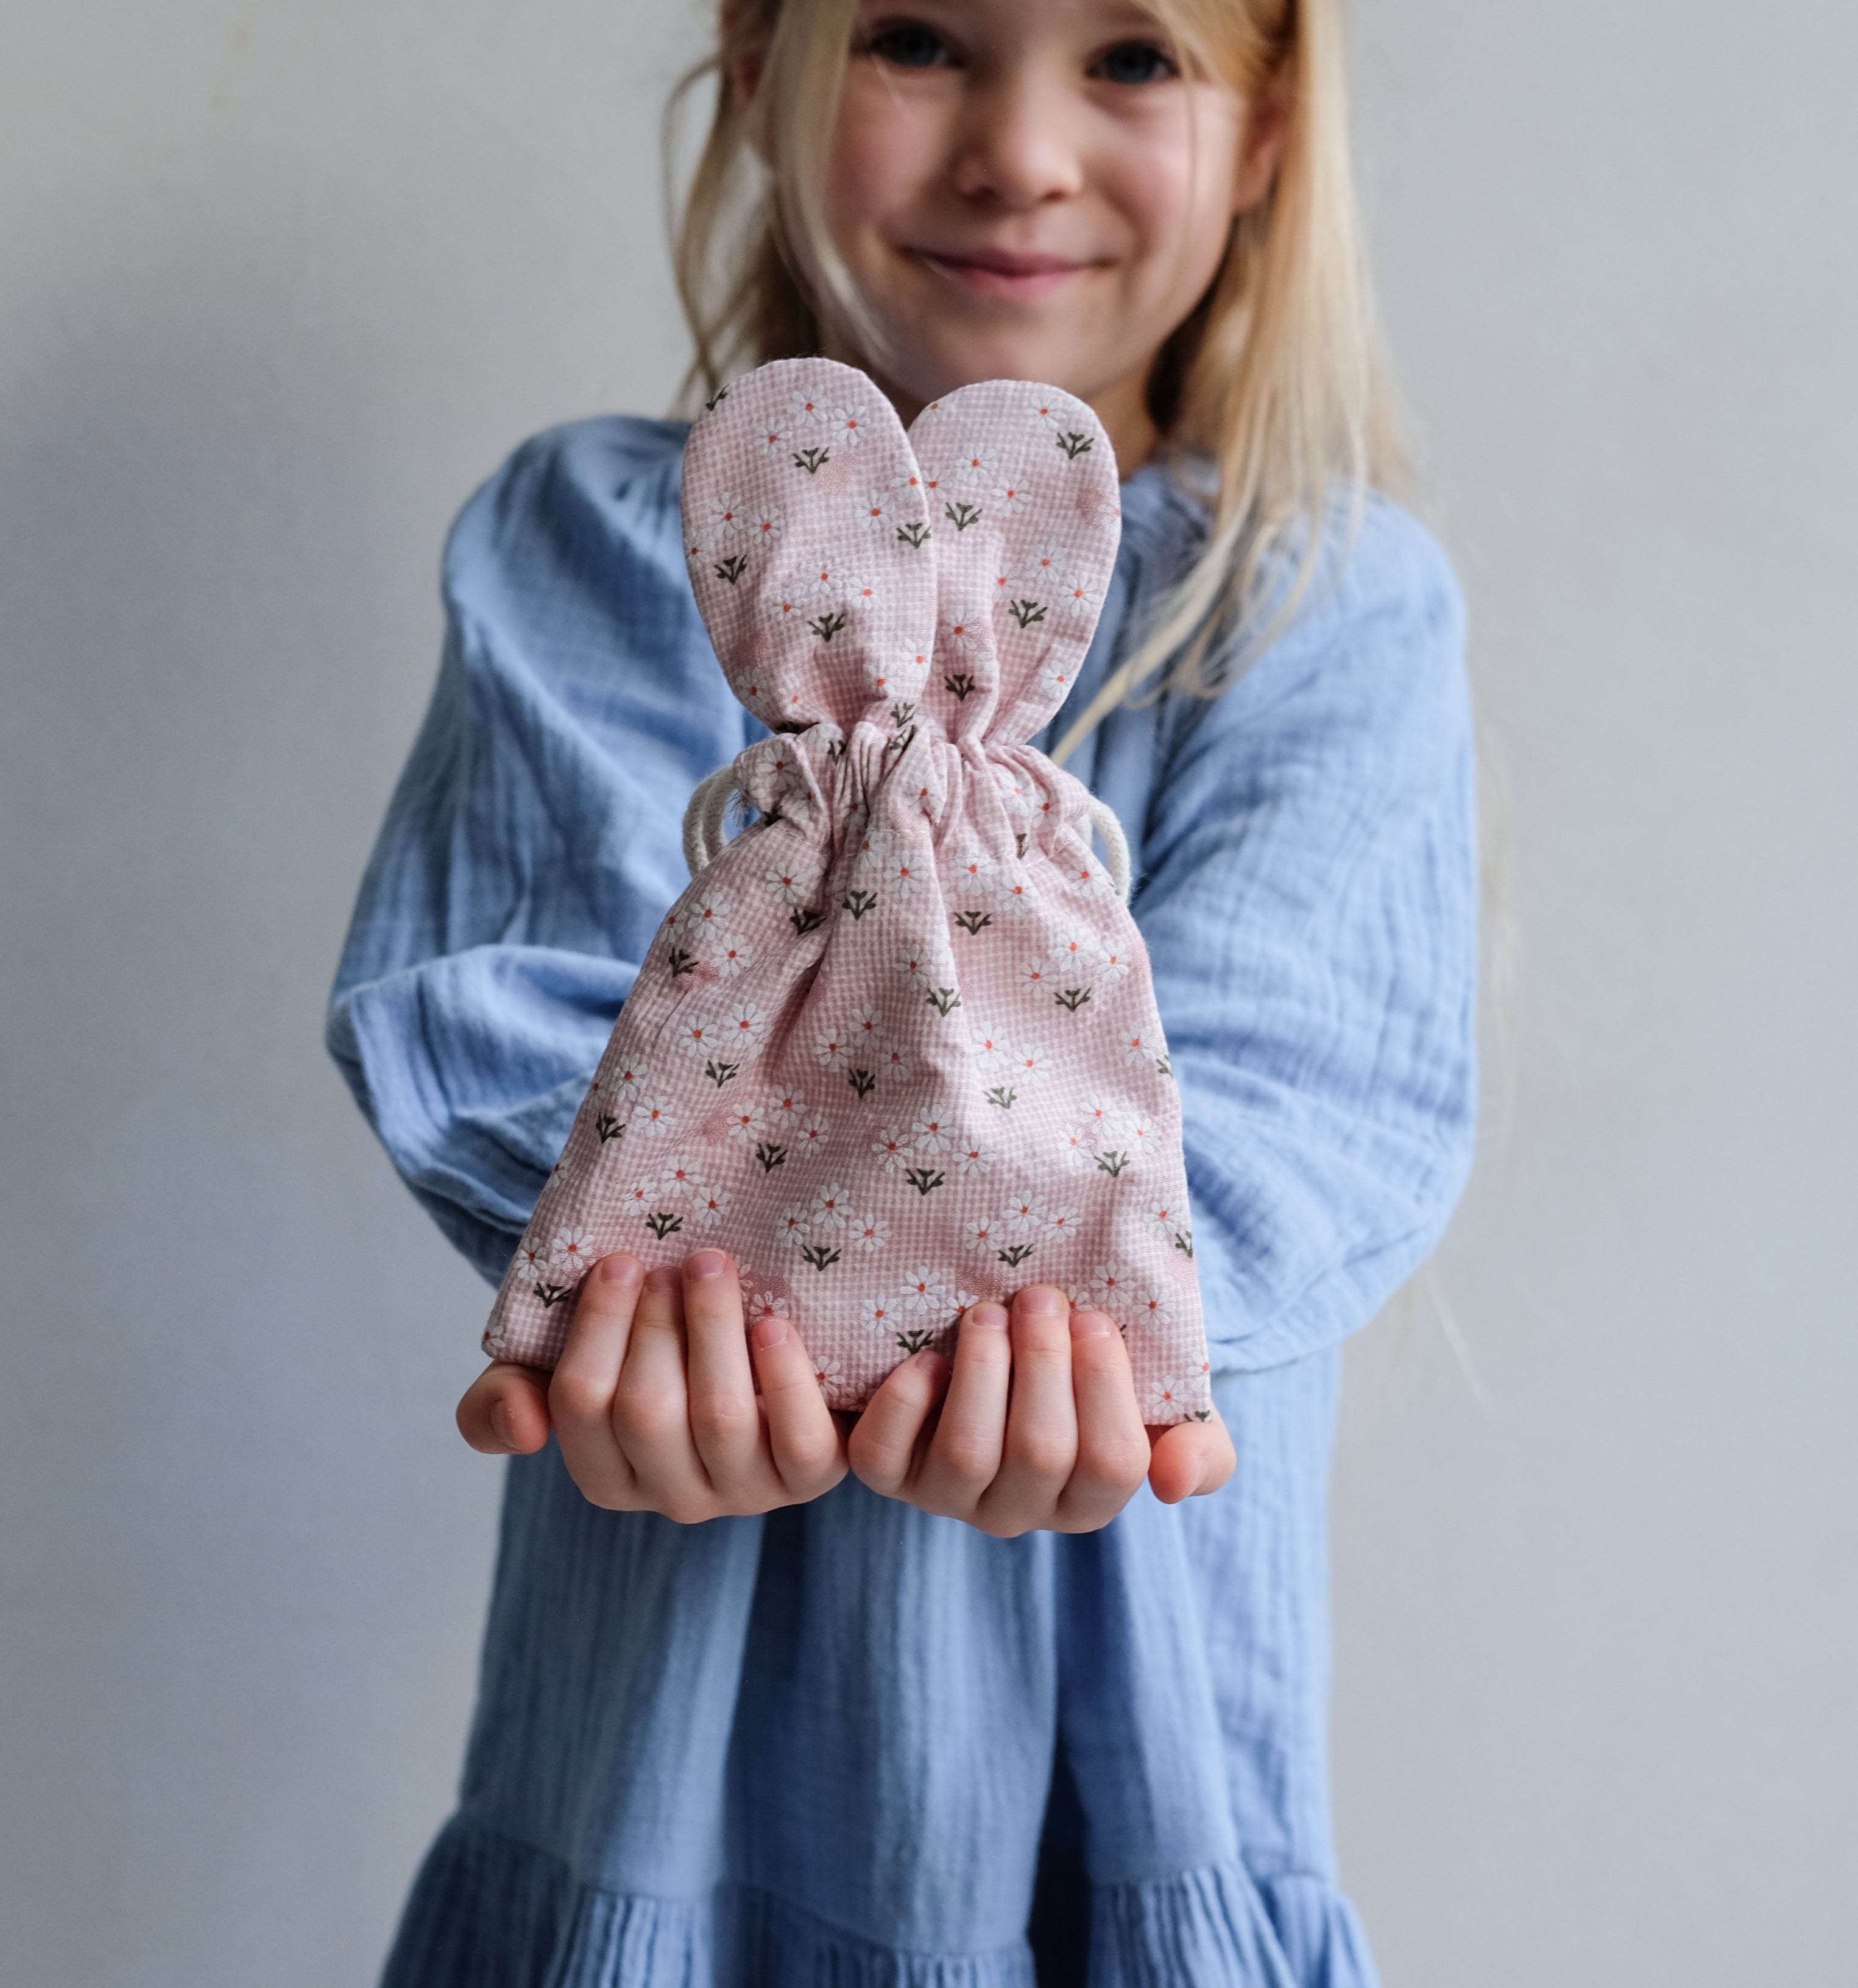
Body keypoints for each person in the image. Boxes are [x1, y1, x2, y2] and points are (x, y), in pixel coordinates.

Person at [327, 2, 1477, 1982]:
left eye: (1135, 57)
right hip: (640, 1806)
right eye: (920, 37)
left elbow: (1305, 1115)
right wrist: (981, 1282)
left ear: (1270, 128)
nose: (1019, 152)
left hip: (1141, 1802)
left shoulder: (1319, 610)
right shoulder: (594, 550)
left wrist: (757, 1265)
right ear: (755, 59)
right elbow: (504, 1023)